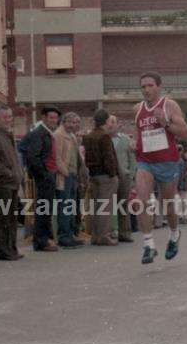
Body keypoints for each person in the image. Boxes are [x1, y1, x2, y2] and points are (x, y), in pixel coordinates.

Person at [134, 72, 187, 264]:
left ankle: (174, 234)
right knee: (141, 200)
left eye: (150, 85)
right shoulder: (137, 109)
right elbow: (138, 133)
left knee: (167, 206)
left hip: (166, 161)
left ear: (159, 86)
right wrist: (135, 144)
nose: (146, 90)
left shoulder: (169, 105)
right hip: (145, 161)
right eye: (143, 87)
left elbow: (186, 134)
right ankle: (148, 245)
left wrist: (165, 123)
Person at [0, 106, 24, 261]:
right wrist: (9, 173)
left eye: (10, 116)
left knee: (11, 218)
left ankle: (11, 249)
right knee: (3, 219)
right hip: (1, 185)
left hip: (11, 184)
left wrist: (16, 174)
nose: (9, 119)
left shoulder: (7, 135)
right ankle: (3, 251)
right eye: (5, 117)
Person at [26, 106, 61, 252]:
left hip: (50, 175)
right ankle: (41, 241)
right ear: (44, 118)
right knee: (42, 209)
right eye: (51, 117)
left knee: (46, 209)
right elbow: (33, 157)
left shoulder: (48, 134)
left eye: (55, 118)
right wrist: (44, 174)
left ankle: (45, 239)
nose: (54, 120)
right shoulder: (38, 134)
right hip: (44, 177)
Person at [83, 109, 119, 246]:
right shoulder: (105, 137)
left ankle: (95, 236)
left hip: (93, 174)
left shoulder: (88, 136)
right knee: (105, 206)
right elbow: (108, 158)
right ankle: (104, 236)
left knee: (95, 206)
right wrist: (113, 174)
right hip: (105, 175)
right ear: (105, 121)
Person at [54, 112, 84, 249]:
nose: (73, 125)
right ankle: (64, 237)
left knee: (71, 206)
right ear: (64, 122)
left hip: (73, 175)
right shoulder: (59, 135)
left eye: (75, 122)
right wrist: (65, 173)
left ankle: (70, 234)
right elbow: (57, 158)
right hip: (65, 175)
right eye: (70, 122)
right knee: (65, 206)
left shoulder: (71, 135)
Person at [108, 115, 136, 242]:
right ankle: (112, 231)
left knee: (123, 204)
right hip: (109, 176)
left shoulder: (125, 139)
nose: (110, 124)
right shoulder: (104, 139)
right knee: (109, 205)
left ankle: (125, 232)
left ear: (118, 124)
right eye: (108, 122)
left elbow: (132, 159)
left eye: (113, 121)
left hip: (124, 176)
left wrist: (130, 175)